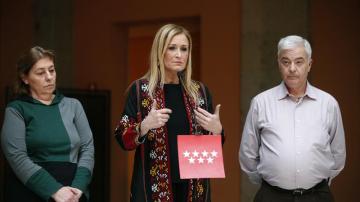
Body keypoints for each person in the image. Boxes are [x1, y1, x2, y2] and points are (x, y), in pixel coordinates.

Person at [115, 23, 224, 202]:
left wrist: (217, 130)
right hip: (153, 189)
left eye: (184, 49)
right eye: (172, 48)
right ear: (160, 51)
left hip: (194, 188)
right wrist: (144, 126)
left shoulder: (199, 92)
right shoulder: (141, 90)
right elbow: (121, 137)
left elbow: (212, 148)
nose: (179, 55)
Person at [239, 35, 346, 202]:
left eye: (299, 62)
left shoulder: (328, 104)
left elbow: (338, 154)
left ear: (309, 64)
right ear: (278, 64)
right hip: (272, 196)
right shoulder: (261, 103)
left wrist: (318, 183)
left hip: (316, 196)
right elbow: (248, 154)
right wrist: (271, 183)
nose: (292, 68)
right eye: (286, 62)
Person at [1, 46, 95, 202]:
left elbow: (88, 148)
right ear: (25, 78)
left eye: (52, 70)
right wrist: (55, 190)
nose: (49, 77)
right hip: (31, 192)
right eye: (40, 73)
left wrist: (78, 187)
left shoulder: (73, 106)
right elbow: (17, 156)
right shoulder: (16, 109)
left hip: (73, 193)